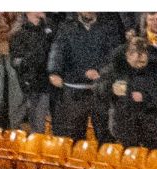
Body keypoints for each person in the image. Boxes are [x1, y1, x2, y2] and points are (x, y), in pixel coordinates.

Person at [48, 12, 123, 142]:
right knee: (72, 136)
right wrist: (54, 72)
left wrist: (101, 72)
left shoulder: (109, 27)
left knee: (105, 135)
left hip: (100, 90)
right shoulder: (66, 27)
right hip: (73, 89)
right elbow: (57, 51)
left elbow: (114, 56)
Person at [95, 37, 157, 149]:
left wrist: (145, 97)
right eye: (135, 59)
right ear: (128, 55)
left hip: (151, 126)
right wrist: (111, 89)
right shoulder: (116, 67)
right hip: (124, 126)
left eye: (142, 59)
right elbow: (98, 87)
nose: (139, 63)